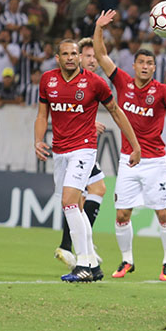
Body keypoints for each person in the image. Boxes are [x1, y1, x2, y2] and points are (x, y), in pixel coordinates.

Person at [34, 38, 142, 283]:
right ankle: (92, 264)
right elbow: (42, 114)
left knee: (70, 201)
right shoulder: (47, 80)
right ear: (58, 58)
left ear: (79, 57)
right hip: (60, 152)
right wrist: (38, 139)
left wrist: (135, 145)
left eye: (74, 53)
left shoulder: (95, 83)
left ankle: (82, 263)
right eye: (66, 54)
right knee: (73, 206)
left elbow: (116, 112)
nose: (71, 57)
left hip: (83, 150)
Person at [93, 10, 166, 281]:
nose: (146, 66)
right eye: (142, 62)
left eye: (150, 63)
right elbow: (101, 56)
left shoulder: (162, 90)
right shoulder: (122, 81)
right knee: (122, 213)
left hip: (155, 161)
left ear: (155, 68)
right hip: (128, 160)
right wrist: (99, 28)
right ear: (134, 65)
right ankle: (127, 261)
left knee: (163, 213)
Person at [53, 37, 111, 272]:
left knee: (95, 190)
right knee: (76, 198)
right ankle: (72, 247)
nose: (92, 61)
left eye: (95, 58)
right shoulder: (68, 77)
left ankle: (76, 244)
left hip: (82, 144)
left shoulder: (92, 82)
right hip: (76, 146)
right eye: (88, 56)